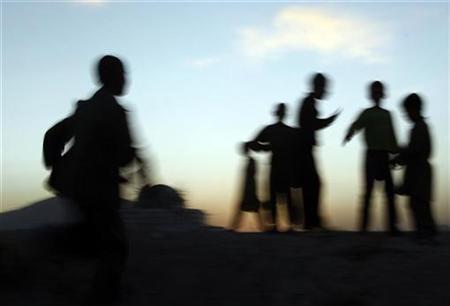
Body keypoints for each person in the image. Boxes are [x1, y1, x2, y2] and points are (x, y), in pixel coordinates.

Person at [43, 55, 140, 304]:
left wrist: (60, 166)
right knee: (115, 248)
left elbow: (53, 135)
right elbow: (123, 154)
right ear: (112, 77)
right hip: (98, 192)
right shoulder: (115, 112)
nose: (126, 79)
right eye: (122, 74)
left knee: (93, 241)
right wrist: (128, 158)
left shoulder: (86, 107)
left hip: (78, 187)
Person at [344, 81, 399, 234]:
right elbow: (356, 125)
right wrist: (349, 133)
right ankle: (363, 227)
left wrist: (396, 154)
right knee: (368, 192)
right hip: (371, 155)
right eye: (374, 91)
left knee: (389, 193)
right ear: (371, 95)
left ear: (382, 94)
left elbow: (392, 135)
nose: (376, 94)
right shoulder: (367, 113)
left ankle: (392, 227)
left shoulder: (387, 114)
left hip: (384, 156)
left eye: (378, 91)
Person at [391, 93, 437, 241]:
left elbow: (418, 151)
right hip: (416, 171)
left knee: (420, 203)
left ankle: (426, 232)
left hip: (420, 172)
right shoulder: (417, 128)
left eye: (407, 111)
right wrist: (401, 156)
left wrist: (401, 154)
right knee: (416, 204)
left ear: (415, 109)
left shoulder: (421, 127)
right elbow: (413, 151)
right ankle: (424, 232)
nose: (406, 115)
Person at [297, 73, 339, 230]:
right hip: (304, 149)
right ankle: (311, 221)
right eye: (323, 88)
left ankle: (311, 221)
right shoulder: (308, 102)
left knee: (312, 184)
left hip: (306, 148)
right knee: (313, 184)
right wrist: (328, 121)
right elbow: (310, 124)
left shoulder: (309, 102)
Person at [250, 103, 300, 232]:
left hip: (280, 166)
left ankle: (277, 225)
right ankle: (286, 225)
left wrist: (266, 147)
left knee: (277, 196)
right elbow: (254, 143)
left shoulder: (272, 130)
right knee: (282, 197)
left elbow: (254, 144)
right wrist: (267, 147)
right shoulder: (289, 132)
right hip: (284, 167)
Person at [229, 142, 264, 231]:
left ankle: (235, 226)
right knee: (252, 208)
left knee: (249, 207)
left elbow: (252, 175)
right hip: (249, 187)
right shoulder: (250, 161)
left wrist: (249, 188)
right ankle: (261, 227)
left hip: (250, 187)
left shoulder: (251, 161)